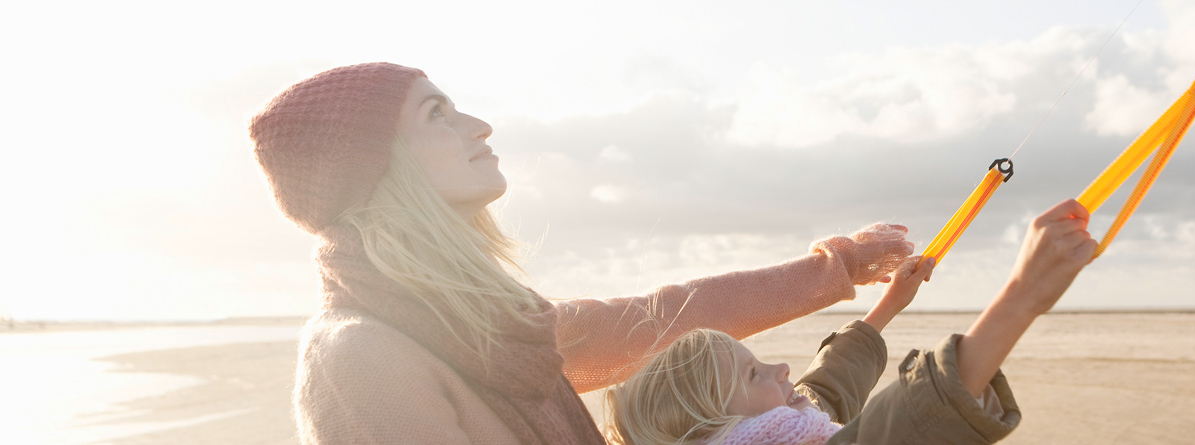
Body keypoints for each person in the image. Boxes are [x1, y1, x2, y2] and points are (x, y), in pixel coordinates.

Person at [249, 62, 916, 444]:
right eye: (436, 115)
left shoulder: (495, 322)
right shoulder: (358, 357)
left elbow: (657, 318)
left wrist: (843, 266)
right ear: (375, 168)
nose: (477, 126)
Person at [605, 200, 1099, 444]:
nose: (780, 368)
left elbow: (828, 386)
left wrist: (889, 305)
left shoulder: (794, 426)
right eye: (751, 373)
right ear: (719, 430)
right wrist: (1024, 295)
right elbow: (905, 425)